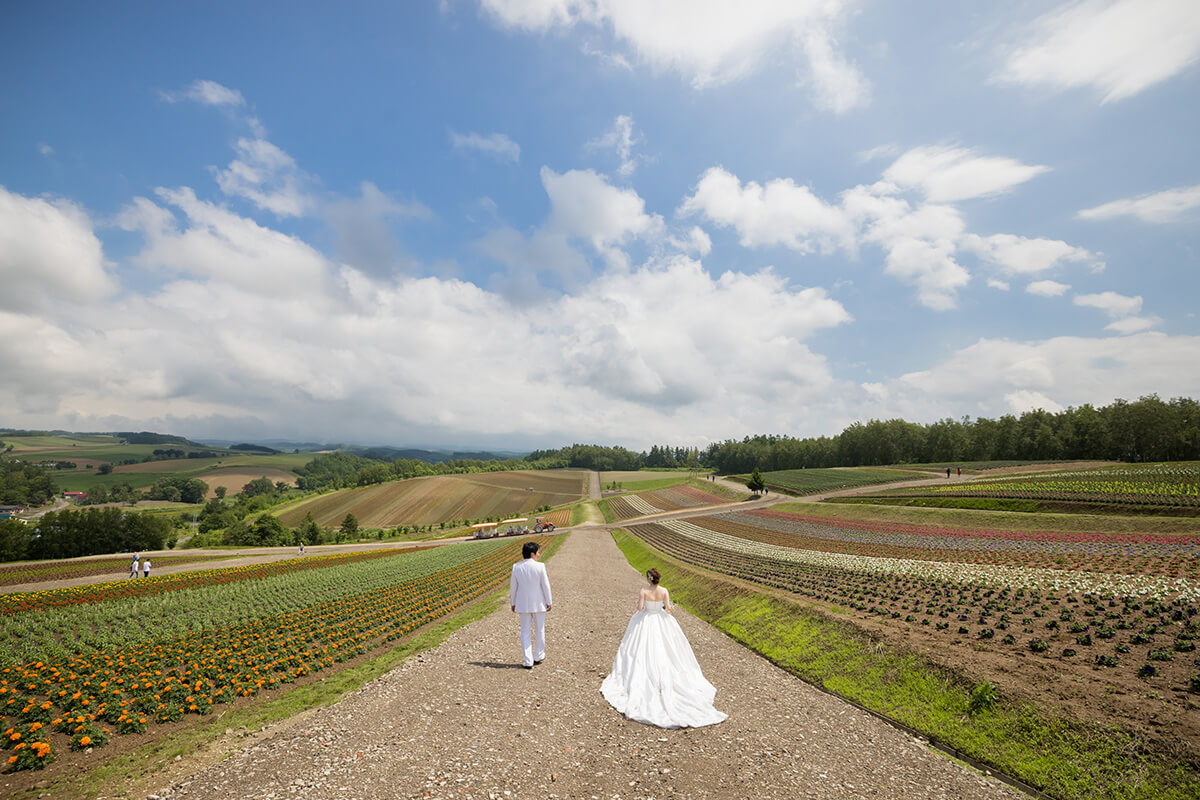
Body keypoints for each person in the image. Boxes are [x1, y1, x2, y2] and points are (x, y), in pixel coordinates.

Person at [601, 568, 727, 729]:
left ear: (649, 579)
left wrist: (644, 605)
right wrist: (662, 608)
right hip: (661, 620)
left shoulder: (644, 591)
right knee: (667, 649)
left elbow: (640, 608)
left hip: (646, 620)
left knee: (638, 649)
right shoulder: (664, 591)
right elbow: (668, 608)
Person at [510, 541, 553, 669]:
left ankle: (527, 660)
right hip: (539, 603)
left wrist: (513, 602)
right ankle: (538, 656)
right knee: (540, 630)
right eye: (538, 552)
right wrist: (549, 601)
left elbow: (513, 588)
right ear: (532, 553)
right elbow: (545, 586)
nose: (539, 554)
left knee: (525, 631)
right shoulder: (540, 566)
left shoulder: (516, 567)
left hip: (522, 604)